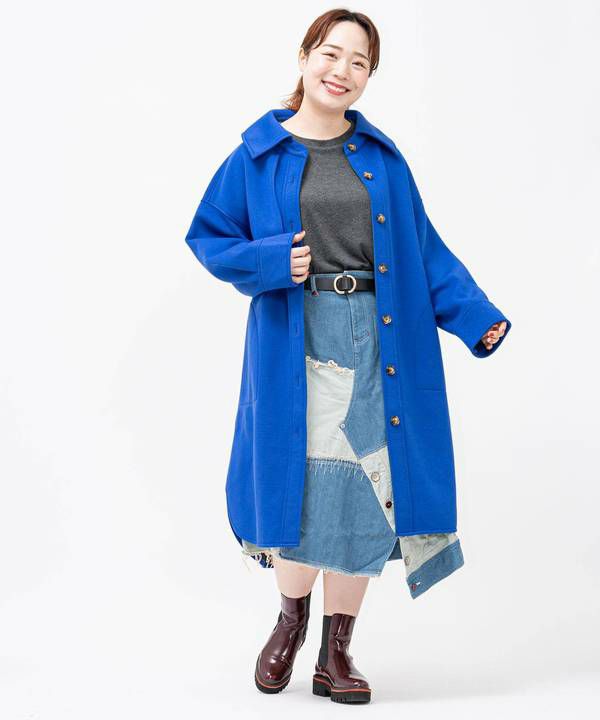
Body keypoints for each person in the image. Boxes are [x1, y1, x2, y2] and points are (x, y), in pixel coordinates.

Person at [184, 8, 511, 705]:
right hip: (295, 340)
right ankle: (290, 620)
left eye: (359, 62)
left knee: (367, 487)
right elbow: (208, 237)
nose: (342, 71)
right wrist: (272, 260)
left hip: (380, 339)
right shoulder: (257, 154)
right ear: (305, 57)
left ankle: (338, 649)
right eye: (331, 54)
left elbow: (423, 251)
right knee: (298, 484)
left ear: (368, 77)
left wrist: (476, 317)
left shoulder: (382, 160)